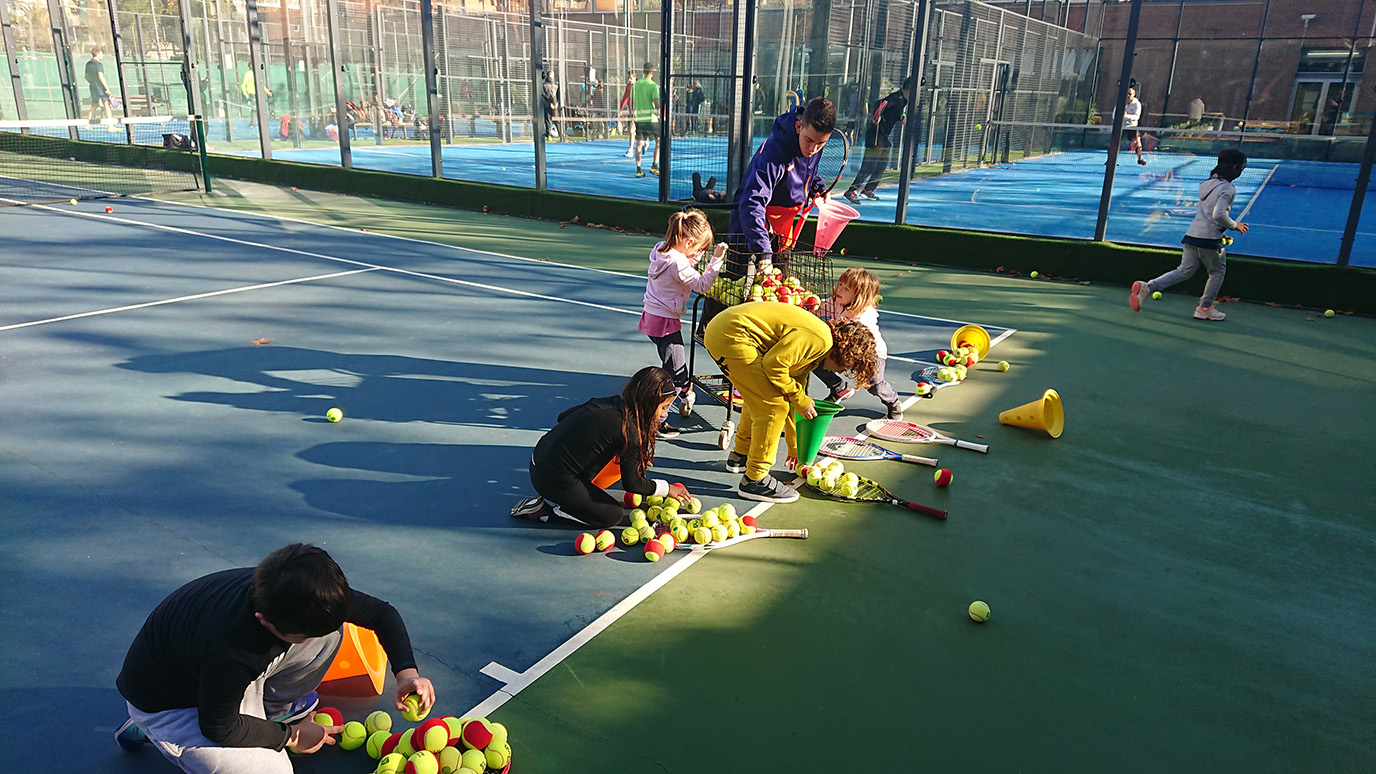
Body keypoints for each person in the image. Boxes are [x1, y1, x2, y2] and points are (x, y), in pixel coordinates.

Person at [114, 543, 435, 774]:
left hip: (205, 677)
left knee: (329, 633)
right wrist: (291, 736)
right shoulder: (232, 648)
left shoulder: (298, 590)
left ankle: (269, 710)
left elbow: (382, 614)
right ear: (264, 620)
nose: (308, 640)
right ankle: (156, 731)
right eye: (301, 635)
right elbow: (218, 727)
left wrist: (407, 674)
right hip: (174, 705)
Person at [704, 303, 878, 504]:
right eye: (845, 367)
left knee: (760, 398)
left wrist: (795, 447)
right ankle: (755, 479)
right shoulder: (819, 341)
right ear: (843, 353)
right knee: (773, 407)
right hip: (731, 336)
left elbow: (793, 395)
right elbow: (774, 365)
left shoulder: (817, 350)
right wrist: (801, 400)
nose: (840, 372)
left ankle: (740, 456)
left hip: (723, 330)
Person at [511, 367, 693, 528]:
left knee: (615, 458)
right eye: (663, 407)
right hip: (551, 479)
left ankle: (570, 492)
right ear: (648, 404)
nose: (663, 415)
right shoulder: (630, 431)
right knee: (612, 514)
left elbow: (563, 416)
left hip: (538, 458)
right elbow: (632, 483)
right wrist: (667, 489)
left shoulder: (610, 402)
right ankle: (545, 512)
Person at [1129, 148, 1249, 322]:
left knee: (1184, 271)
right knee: (1217, 272)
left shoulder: (1207, 184)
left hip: (1192, 235)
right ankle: (1204, 308)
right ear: (1235, 167)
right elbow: (1218, 214)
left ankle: (1148, 287)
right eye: (1242, 168)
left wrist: (1221, 233)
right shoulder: (1228, 188)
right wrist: (1234, 225)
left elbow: (1207, 215)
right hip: (1209, 240)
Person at [640, 209, 728, 437]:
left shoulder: (661, 248)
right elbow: (702, 285)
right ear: (688, 242)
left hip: (653, 316)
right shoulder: (678, 264)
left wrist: (694, 255)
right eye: (699, 249)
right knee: (675, 374)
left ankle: (685, 391)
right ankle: (657, 420)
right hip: (665, 321)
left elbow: (681, 262)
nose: (700, 254)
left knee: (673, 364)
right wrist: (716, 260)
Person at [813, 268, 903, 419]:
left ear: (859, 296)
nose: (839, 290)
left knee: (875, 385)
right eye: (840, 284)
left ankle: (893, 402)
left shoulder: (863, 315)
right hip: (844, 349)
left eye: (846, 289)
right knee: (814, 361)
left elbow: (855, 340)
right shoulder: (836, 302)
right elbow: (817, 308)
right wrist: (806, 305)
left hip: (869, 354)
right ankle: (839, 388)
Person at [844, 77, 911, 204]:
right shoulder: (896, 97)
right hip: (875, 135)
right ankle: (851, 192)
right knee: (869, 165)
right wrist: (876, 117)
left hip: (883, 137)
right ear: (909, 89)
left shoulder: (903, 100)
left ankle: (868, 190)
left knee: (882, 164)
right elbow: (881, 103)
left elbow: (896, 111)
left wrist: (902, 116)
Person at [632, 63, 660, 178]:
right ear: (652, 72)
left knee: (639, 144)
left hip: (640, 119)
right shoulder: (653, 85)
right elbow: (656, 102)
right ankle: (654, 166)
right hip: (651, 119)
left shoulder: (635, 85)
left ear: (643, 71)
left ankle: (639, 169)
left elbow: (632, 103)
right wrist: (659, 111)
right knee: (659, 142)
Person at [85, 47, 113, 122]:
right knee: (106, 103)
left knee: (94, 104)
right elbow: (101, 77)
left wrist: (92, 82)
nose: (102, 56)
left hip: (92, 87)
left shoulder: (88, 64)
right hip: (100, 87)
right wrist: (107, 89)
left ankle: (88, 123)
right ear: (98, 54)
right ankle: (110, 125)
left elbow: (86, 76)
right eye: (101, 54)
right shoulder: (99, 64)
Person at [1120, 86, 1146, 166]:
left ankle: (1139, 158)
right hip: (1120, 126)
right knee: (1113, 143)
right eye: (1127, 94)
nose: (1128, 95)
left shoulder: (1137, 104)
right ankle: (1110, 160)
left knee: (1137, 141)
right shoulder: (1121, 102)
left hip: (1132, 126)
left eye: (1130, 94)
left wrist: (1127, 116)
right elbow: (1114, 114)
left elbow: (1137, 117)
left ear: (1134, 94)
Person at [620, 70, 636, 157]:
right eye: (628, 78)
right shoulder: (628, 86)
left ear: (635, 77)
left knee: (635, 131)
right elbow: (625, 97)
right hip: (631, 111)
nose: (629, 80)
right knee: (631, 130)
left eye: (631, 78)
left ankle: (643, 142)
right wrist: (621, 108)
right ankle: (631, 149)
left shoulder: (638, 86)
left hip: (638, 112)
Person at [541, 72, 560, 138]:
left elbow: (543, 94)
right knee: (549, 119)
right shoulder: (553, 84)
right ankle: (549, 132)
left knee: (551, 119)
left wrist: (556, 103)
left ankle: (558, 132)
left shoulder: (554, 85)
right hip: (551, 103)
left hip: (552, 103)